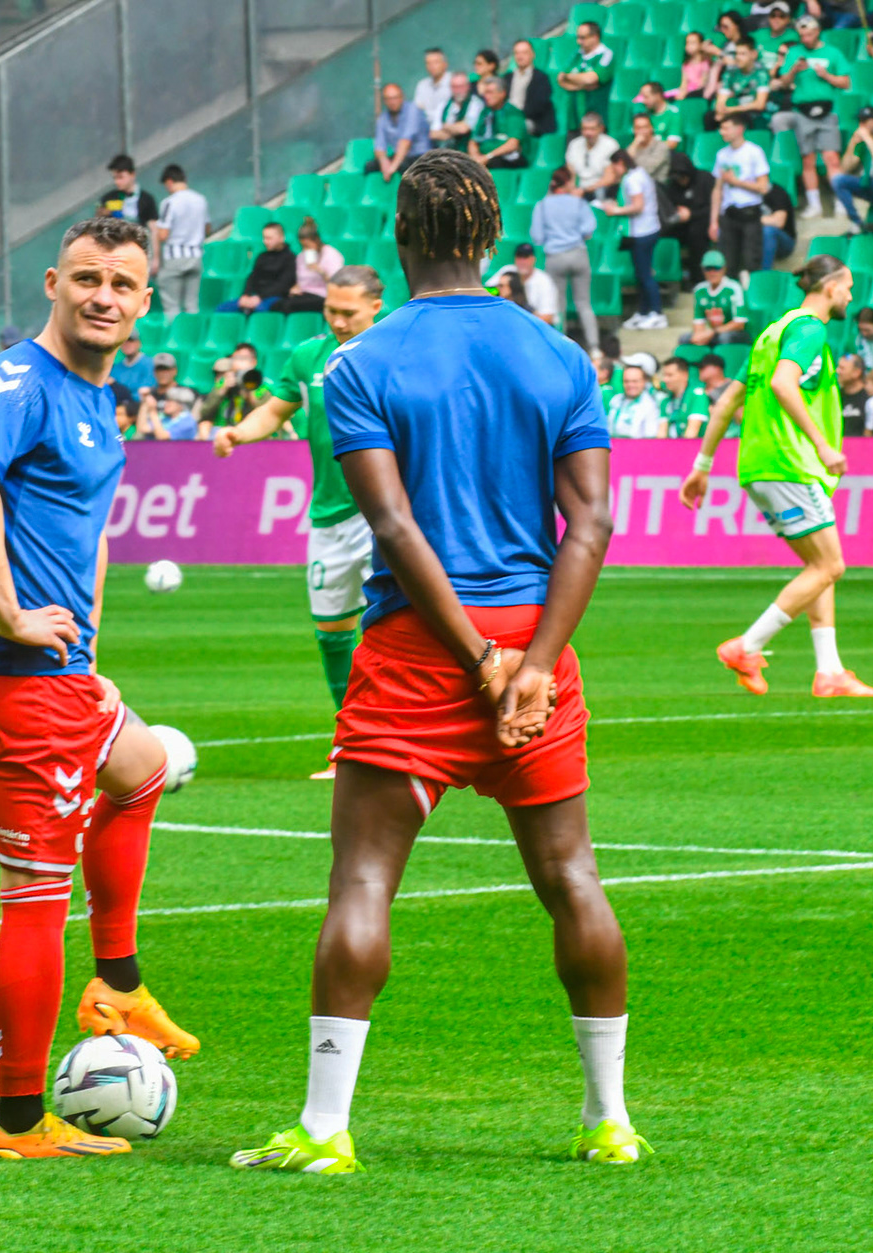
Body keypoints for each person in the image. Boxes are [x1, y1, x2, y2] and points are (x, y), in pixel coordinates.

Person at [228, 149, 644, 1174]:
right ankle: (609, 1120)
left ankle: (325, 1128)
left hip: (421, 644)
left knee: (364, 880)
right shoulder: (560, 356)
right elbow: (591, 523)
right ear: (492, 235)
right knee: (573, 878)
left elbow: (393, 524)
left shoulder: (359, 363)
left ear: (401, 236)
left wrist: (479, 657)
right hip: (538, 640)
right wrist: (534, 662)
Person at [0, 215, 200, 1158]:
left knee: (141, 767)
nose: (103, 297)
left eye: (122, 284)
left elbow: (85, 531)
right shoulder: (20, 382)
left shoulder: (98, 395)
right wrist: (13, 615)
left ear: (144, 302)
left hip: (61, 676)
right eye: (87, 278)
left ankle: (118, 986)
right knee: (35, 896)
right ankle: (18, 1122)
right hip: (17, 679)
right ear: (52, 284)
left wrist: (84, 653)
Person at [679, 254, 873, 700]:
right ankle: (746, 647)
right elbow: (782, 384)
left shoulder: (772, 333)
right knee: (831, 565)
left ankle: (829, 672)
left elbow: (726, 402)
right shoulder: (809, 330)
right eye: (848, 287)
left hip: (758, 465)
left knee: (818, 568)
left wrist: (702, 466)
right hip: (790, 461)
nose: (851, 296)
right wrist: (823, 446)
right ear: (831, 287)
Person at [214, 266, 386, 769]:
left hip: (385, 515)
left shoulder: (395, 353)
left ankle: (399, 739)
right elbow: (275, 410)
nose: (338, 320)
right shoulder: (309, 355)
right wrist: (238, 433)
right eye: (331, 310)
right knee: (332, 635)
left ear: (376, 307)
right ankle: (352, 741)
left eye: (348, 313)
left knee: (394, 630)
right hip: (329, 516)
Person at [771, 16, 851, 217]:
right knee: (808, 159)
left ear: (817, 32)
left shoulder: (832, 53)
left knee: (832, 158)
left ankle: (841, 200)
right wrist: (794, 70)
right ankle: (814, 204)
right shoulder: (794, 53)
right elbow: (783, 82)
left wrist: (826, 76)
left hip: (827, 111)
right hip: (802, 112)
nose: (805, 39)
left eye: (808, 34)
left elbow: (845, 82)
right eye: (802, 35)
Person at [531, 167, 599, 351]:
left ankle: (561, 347)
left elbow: (537, 237)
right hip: (578, 254)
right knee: (584, 303)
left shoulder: (542, 206)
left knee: (557, 305)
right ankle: (594, 347)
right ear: (568, 182)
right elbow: (589, 229)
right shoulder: (578, 203)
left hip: (555, 257)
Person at [601, 151, 665, 330]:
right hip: (649, 230)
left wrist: (615, 211)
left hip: (642, 233)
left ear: (620, 162)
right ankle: (643, 312)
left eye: (614, 166)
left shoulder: (633, 180)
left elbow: (638, 206)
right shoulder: (640, 173)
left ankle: (657, 313)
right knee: (641, 275)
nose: (614, 170)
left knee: (645, 276)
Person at [710, 115, 772, 279]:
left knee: (752, 261)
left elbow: (763, 187)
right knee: (728, 262)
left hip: (749, 212)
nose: (722, 132)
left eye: (726, 128)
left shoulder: (754, 152)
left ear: (739, 129)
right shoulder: (722, 154)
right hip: (728, 213)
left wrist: (736, 182)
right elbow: (717, 189)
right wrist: (713, 221)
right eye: (721, 128)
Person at [154, 165, 209, 318]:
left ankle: (174, 333)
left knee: (172, 307)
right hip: (195, 255)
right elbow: (207, 228)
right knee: (192, 305)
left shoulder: (169, 202)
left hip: (175, 256)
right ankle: (193, 332)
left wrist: (156, 232)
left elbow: (163, 234)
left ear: (169, 182)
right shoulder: (201, 199)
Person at [274, 219, 344, 315]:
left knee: (288, 305)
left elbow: (337, 284)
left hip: (324, 295)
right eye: (303, 246)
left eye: (307, 245)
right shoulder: (301, 257)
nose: (305, 249)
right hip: (304, 294)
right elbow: (301, 281)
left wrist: (321, 271)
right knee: (277, 304)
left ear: (316, 241)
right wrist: (296, 288)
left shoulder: (331, 254)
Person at [557, 20, 616, 123]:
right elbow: (561, 78)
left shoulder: (606, 54)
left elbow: (591, 79)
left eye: (583, 38)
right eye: (578, 37)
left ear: (595, 37)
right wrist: (582, 85)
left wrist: (571, 78)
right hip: (574, 117)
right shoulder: (576, 54)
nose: (578, 42)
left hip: (596, 116)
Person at [467, 77, 530, 170]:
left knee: (493, 164)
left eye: (490, 92)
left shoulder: (513, 113)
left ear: (502, 93)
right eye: (485, 93)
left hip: (506, 158)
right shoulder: (485, 112)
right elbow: (473, 141)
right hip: (484, 157)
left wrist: (487, 157)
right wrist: (475, 157)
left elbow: (513, 144)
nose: (486, 96)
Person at [369, 82, 430, 180]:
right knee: (370, 166)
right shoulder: (383, 118)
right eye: (388, 99)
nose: (392, 102)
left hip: (420, 156)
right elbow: (379, 146)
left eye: (395, 98)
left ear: (402, 97)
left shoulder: (413, 110)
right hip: (400, 156)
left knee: (403, 167)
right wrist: (384, 162)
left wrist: (392, 168)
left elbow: (405, 142)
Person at [690, 249, 747, 345]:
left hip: (736, 333)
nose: (712, 273)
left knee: (724, 338)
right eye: (708, 268)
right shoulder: (699, 290)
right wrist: (699, 335)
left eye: (717, 268)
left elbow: (740, 323)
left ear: (724, 269)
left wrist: (712, 332)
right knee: (686, 338)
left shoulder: (734, 288)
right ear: (703, 270)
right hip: (714, 332)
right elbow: (698, 321)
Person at [506, 38, 558, 136]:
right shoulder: (507, 78)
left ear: (532, 55)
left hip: (531, 121)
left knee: (517, 126)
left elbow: (538, 106)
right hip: (508, 119)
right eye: (517, 53)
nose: (520, 57)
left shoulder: (541, 78)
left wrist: (517, 117)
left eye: (524, 53)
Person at [714, 36, 768, 129]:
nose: (738, 57)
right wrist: (720, 110)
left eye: (743, 54)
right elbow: (721, 100)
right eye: (736, 54)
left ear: (753, 54)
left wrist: (732, 110)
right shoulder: (730, 73)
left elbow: (760, 104)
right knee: (710, 117)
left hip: (755, 114)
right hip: (735, 111)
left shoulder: (761, 73)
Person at [95, 154, 158, 231]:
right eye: (115, 178)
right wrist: (101, 214)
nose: (117, 182)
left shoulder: (147, 199)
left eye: (120, 177)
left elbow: (153, 226)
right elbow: (98, 224)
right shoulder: (109, 198)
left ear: (132, 175)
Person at [503, 244, 559, 326]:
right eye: (519, 257)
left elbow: (547, 317)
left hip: (534, 326)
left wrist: (521, 325)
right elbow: (488, 290)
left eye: (526, 257)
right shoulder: (507, 272)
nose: (522, 261)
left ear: (533, 259)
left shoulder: (543, 280)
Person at [565, 112, 620, 195]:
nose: (588, 133)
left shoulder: (610, 145)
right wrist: (572, 190)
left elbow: (610, 178)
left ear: (601, 128)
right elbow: (570, 173)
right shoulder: (574, 144)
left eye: (592, 129)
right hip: (579, 189)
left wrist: (585, 190)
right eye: (585, 129)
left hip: (602, 189)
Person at [660, 356, 713, 437]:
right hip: (673, 443)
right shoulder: (665, 401)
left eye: (670, 375)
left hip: (695, 444)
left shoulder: (697, 396)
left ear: (685, 375)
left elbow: (692, 433)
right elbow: (661, 432)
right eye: (664, 375)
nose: (665, 379)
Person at [431, 72, 482, 150]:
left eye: (461, 86)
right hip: (446, 150)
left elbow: (464, 129)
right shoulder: (444, 105)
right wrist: (455, 130)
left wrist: (445, 126)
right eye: (454, 87)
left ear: (468, 86)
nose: (458, 90)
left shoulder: (476, 103)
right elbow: (433, 134)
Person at [625, 112, 671, 183]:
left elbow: (646, 170)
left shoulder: (661, 147)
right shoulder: (632, 147)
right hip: (634, 184)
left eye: (645, 127)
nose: (642, 131)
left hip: (656, 185)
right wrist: (634, 145)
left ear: (651, 128)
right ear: (634, 130)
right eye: (638, 128)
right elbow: (623, 167)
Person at [412, 47, 451, 125]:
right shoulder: (422, 85)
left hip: (448, 127)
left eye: (436, 62)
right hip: (425, 127)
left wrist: (427, 114)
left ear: (445, 64)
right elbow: (418, 111)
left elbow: (449, 114)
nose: (432, 66)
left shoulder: (454, 83)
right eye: (428, 63)